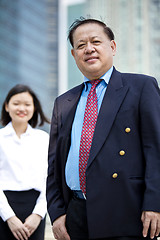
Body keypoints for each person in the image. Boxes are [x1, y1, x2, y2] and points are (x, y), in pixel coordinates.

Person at [46, 17, 160, 240]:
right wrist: (57, 212)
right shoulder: (63, 102)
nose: (88, 49)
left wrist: (155, 203)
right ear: (74, 55)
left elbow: (157, 150)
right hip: (75, 216)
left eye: (95, 41)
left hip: (128, 211)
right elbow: (54, 166)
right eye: (80, 45)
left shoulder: (141, 87)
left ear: (113, 46)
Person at [0, 84, 50, 240]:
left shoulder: (43, 139)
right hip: (3, 210)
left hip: (35, 209)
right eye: (16, 103)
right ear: (7, 106)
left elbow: (50, 179)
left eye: (27, 104)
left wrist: (38, 214)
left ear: (34, 108)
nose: (22, 108)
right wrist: (9, 217)